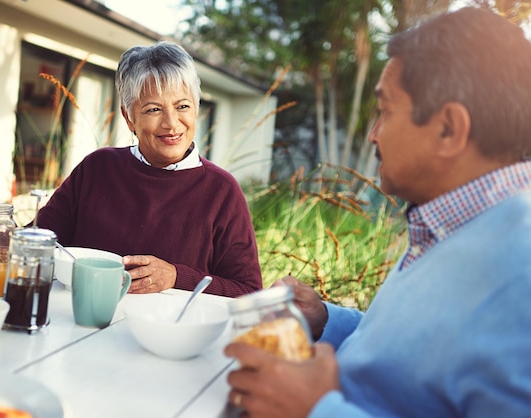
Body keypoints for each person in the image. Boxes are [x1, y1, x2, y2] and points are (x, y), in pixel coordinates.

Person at [224, 7, 531, 418]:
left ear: (448, 129)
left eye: (385, 110)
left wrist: (315, 409)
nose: (373, 135)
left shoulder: (519, 272)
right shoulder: (449, 223)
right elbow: (419, 357)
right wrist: (327, 320)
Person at [0, 41, 262, 298]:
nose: (171, 123)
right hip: (77, 329)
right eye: (153, 109)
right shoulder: (97, 168)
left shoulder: (222, 190)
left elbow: (247, 290)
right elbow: (41, 242)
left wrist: (176, 276)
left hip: (164, 346)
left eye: (182, 106)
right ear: (129, 118)